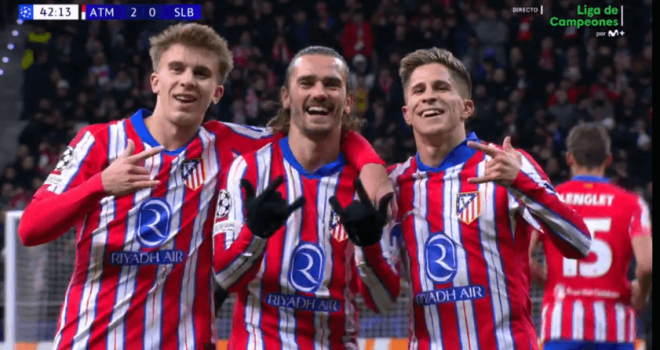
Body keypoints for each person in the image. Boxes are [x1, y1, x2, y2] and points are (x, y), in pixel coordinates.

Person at [17, 24, 390, 349]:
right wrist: (100, 184)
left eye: (201, 73)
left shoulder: (231, 146)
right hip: (91, 339)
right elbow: (31, 228)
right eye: (176, 69)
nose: (187, 80)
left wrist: (370, 163)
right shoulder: (99, 142)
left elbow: (315, 130)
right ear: (155, 80)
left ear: (217, 92)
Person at [387, 47, 592, 350]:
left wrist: (520, 183)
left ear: (466, 108)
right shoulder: (393, 182)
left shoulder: (506, 163)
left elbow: (580, 243)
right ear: (407, 113)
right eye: (419, 90)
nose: (429, 96)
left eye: (442, 87)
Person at [212, 46, 401, 350]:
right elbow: (223, 277)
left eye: (331, 84)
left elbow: (383, 301)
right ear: (286, 97)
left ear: (348, 102)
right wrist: (255, 234)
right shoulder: (247, 170)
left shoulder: (368, 187)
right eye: (307, 83)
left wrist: (371, 246)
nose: (319, 92)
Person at [529, 123, 652, 350]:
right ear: (608, 160)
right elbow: (646, 266)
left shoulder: (549, 200)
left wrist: (550, 280)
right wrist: (640, 295)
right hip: (616, 326)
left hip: (561, 324)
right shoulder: (633, 204)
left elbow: (523, 258)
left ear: (569, 158)